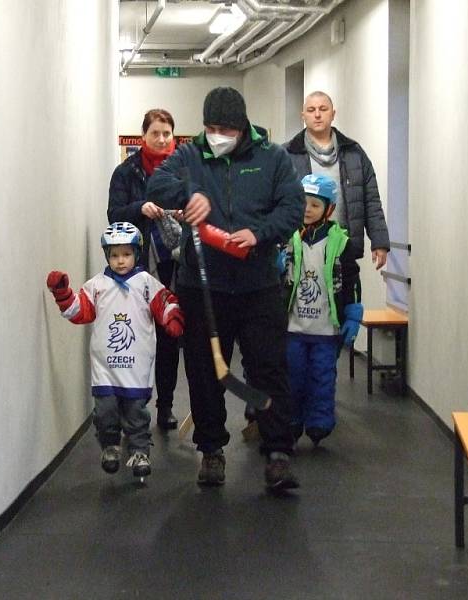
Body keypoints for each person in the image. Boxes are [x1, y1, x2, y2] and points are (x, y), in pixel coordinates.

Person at [146, 87, 304, 491]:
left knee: (269, 367)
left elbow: (292, 208)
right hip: (203, 284)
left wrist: (259, 233)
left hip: (259, 283)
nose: (218, 135)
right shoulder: (189, 156)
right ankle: (211, 450)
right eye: (211, 128)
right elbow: (157, 183)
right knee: (203, 370)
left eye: (226, 129)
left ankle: (278, 453)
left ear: (242, 126)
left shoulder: (272, 158)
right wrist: (188, 195)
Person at [46, 222, 184, 481]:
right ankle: (110, 445)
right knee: (105, 410)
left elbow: (166, 301)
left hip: (136, 364)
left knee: (136, 411)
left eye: (126, 254)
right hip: (106, 366)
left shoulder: (145, 283)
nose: (120, 261)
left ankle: (140, 450)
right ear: (107, 256)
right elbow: (79, 311)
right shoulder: (96, 286)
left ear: (137, 253)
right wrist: (63, 293)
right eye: (114, 255)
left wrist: (172, 317)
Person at [108, 108, 183, 431]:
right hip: (135, 270)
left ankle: (165, 406)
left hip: (175, 266)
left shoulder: (184, 171)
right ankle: (132, 409)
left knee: (169, 338)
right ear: (144, 137)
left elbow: (203, 210)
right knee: (134, 341)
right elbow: (114, 215)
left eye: (167, 133)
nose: (162, 139)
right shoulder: (126, 173)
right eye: (156, 133)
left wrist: (182, 214)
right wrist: (140, 208)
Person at [280, 173, 362, 447]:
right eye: (303, 203)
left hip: (327, 329)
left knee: (323, 378)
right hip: (294, 327)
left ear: (329, 209)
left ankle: (319, 421)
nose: (307, 209)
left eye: (315, 204)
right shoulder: (288, 239)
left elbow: (351, 280)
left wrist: (352, 313)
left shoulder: (340, 244)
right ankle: (291, 421)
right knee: (293, 377)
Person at [284, 91, 390, 270]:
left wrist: (379, 241)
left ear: (333, 114)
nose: (317, 114)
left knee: (346, 296)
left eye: (323, 109)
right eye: (311, 110)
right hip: (301, 247)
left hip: (344, 247)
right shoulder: (287, 154)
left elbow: (371, 200)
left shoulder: (354, 153)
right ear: (303, 116)